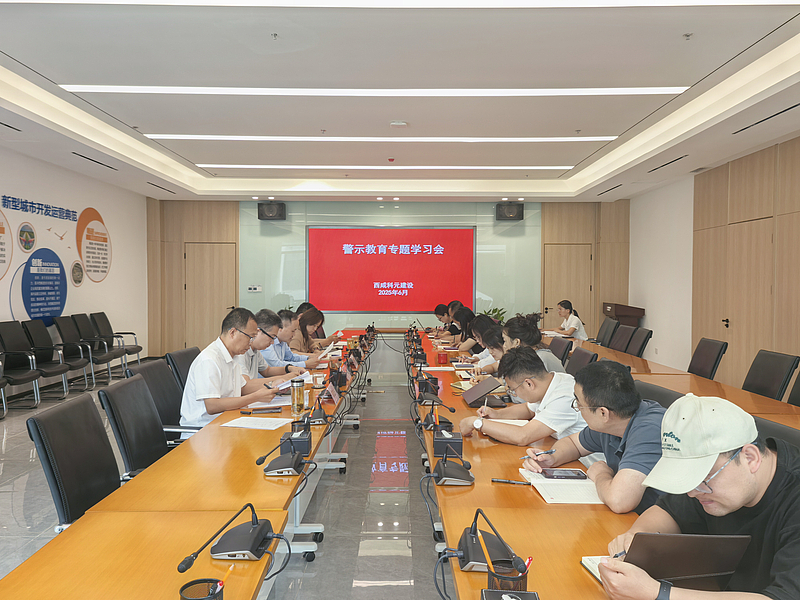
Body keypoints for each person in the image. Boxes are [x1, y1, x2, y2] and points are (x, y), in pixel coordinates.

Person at [602, 395, 800, 600]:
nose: (692, 493)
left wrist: (657, 593)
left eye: (702, 479)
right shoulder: (715, 482)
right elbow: (668, 511)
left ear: (750, 458)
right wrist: (636, 537)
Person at [523, 360, 665, 514]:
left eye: (579, 403)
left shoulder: (649, 431)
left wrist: (601, 475)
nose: (577, 407)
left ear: (603, 413)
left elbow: (619, 501)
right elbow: (573, 443)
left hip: (653, 521)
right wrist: (552, 458)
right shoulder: (613, 420)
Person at [460, 346, 584, 446]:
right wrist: (497, 414)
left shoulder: (565, 396)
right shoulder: (551, 381)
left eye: (513, 389)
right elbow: (528, 409)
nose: (514, 393)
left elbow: (523, 436)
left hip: (582, 463)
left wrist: (476, 423)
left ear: (529, 383)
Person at [180, 307, 279, 430]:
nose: (251, 342)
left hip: (228, 422)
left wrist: (274, 385)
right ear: (232, 333)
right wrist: (256, 397)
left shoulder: (233, 357)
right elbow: (212, 406)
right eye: (250, 337)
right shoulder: (209, 360)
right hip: (203, 430)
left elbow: (243, 388)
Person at [235, 309, 306, 384]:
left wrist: (289, 368)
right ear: (258, 331)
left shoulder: (256, 350)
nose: (272, 342)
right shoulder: (241, 351)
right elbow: (246, 385)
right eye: (272, 337)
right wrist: (286, 377)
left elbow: (267, 371)